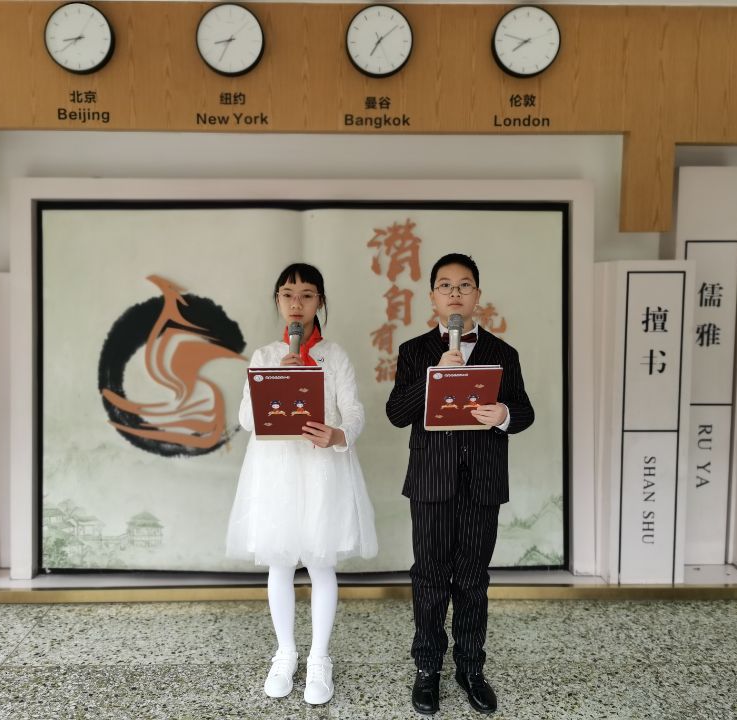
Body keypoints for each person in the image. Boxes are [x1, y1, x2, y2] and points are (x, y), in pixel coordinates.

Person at [386, 253, 535, 715]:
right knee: (429, 578)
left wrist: (504, 414)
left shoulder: (503, 353)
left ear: (477, 295)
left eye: (464, 285)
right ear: (432, 296)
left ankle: (471, 668)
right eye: (446, 285)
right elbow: (396, 413)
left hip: (483, 483)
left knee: (472, 580)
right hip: (431, 481)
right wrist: (435, 377)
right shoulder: (414, 352)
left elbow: (524, 411)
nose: (455, 293)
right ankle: (427, 668)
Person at [226, 262, 378, 706]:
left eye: (308, 295)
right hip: (276, 470)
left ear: (320, 302)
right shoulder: (265, 356)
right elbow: (247, 419)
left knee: (320, 562)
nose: (297, 303)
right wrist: (279, 378)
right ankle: (285, 654)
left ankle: (319, 658)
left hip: (322, 468)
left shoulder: (336, 355)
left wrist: (339, 435)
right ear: (278, 300)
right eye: (288, 294)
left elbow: (354, 411)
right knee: (279, 562)